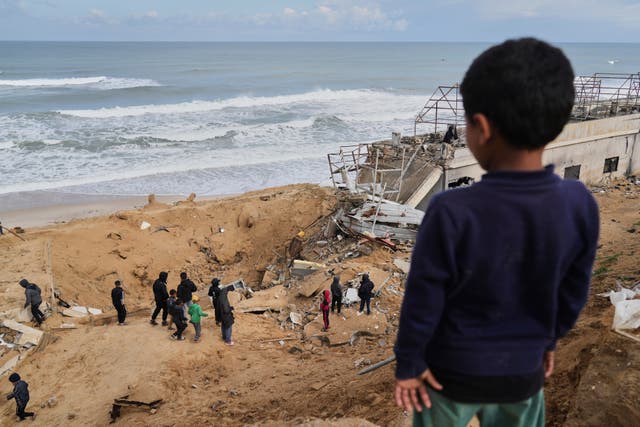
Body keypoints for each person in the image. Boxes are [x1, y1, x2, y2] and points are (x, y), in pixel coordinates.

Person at [393, 38, 599, 427]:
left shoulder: (450, 210)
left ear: (482, 128)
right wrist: (548, 340)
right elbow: (573, 293)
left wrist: (409, 363)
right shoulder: (578, 203)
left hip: (448, 376)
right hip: (523, 375)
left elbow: (423, 299)